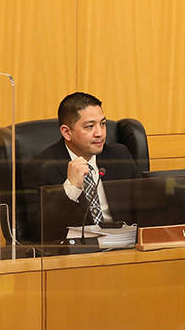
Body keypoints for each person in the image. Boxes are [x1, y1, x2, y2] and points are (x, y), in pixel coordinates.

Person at [23, 92, 138, 242]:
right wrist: (71, 188)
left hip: (124, 248)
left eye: (103, 124)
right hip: (77, 254)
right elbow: (39, 230)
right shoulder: (41, 168)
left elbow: (146, 208)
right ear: (67, 132)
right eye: (90, 126)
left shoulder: (119, 156)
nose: (100, 133)